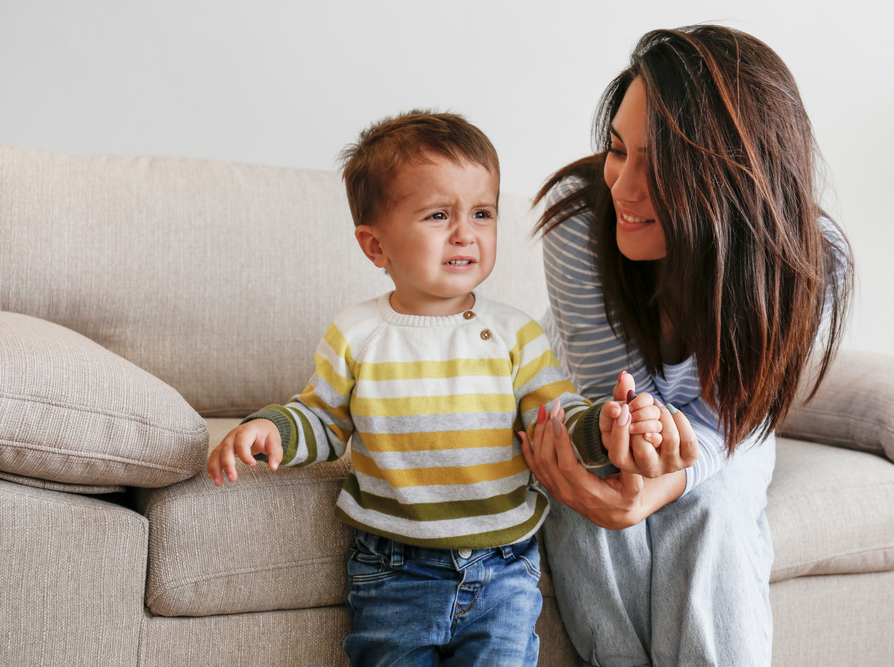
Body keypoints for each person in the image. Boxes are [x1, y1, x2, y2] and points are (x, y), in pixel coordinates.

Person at [204, 110, 663, 667]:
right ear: (376, 246)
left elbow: (557, 419)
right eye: (438, 214)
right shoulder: (356, 334)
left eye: (482, 212)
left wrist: (604, 425)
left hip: (503, 565)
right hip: (394, 570)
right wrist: (269, 428)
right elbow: (322, 419)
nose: (465, 232)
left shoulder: (516, 334)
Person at [520, 26, 854, 667]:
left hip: (722, 427)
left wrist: (665, 489)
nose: (622, 186)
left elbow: (731, 420)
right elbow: (612, 412)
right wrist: (635, 490)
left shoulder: (812, 266)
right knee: (595, 496)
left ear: (731, 179)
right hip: (594, 414)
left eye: (661, 165)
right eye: (618, 150)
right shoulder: (578, 218)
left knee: (717, 509)